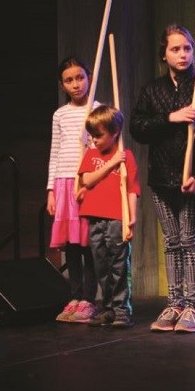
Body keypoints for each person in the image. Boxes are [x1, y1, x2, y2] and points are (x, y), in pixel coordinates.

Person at [130, 24, 195, 334]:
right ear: (164, 53)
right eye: (176, 49)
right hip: (161, 178)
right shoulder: (152, 90)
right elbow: (137, 128)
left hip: (190, 180)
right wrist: (171, 118)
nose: (183, 54)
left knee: (189, 241)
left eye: (187, 48)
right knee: (171, 243)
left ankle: (192, 306)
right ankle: (174, 303)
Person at [46, 56, 99, 324]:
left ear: (89, 77)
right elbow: (55, 152)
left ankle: (90, 299)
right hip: (63, 183)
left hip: (88, 183)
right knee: (71, 245)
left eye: (80, 77)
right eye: (69, 80)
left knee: (88, 243)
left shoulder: (98, 110)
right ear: (62, 84)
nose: (76, 84)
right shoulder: (60, 114)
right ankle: (75, 296)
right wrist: (51, 190)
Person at [77, 105, 140, 328]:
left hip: (116, 217)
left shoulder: (126, 156)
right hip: (95, 218)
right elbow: (88, 180)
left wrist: (131, 218)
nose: (94, 140)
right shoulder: (91, 154)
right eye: (92, 135)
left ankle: (122, 309)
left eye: (99, 135)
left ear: (115, 132)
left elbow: (132, 189)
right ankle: (107, 308)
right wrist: (112, 163)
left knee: (119, 265)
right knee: (101, 266)